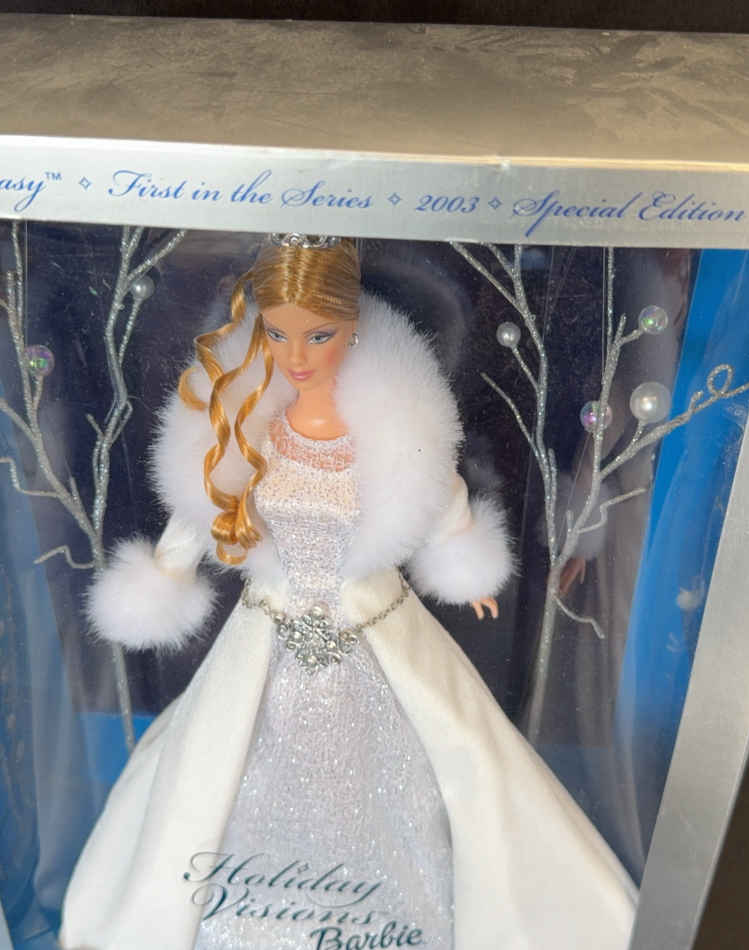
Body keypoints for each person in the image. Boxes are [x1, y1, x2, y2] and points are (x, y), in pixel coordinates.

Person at [59, 234, 637, 950]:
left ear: (353, 329)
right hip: (269, 632)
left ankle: (395, 915)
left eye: (319, 335)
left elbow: (439, 496)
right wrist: (164, 578)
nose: (297, 356)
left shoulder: (392, 429)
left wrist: (465, 566)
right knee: (228, 771)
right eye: (279, 335)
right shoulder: (250, 427)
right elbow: (200, 511)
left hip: (373, 623)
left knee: (417, 770)